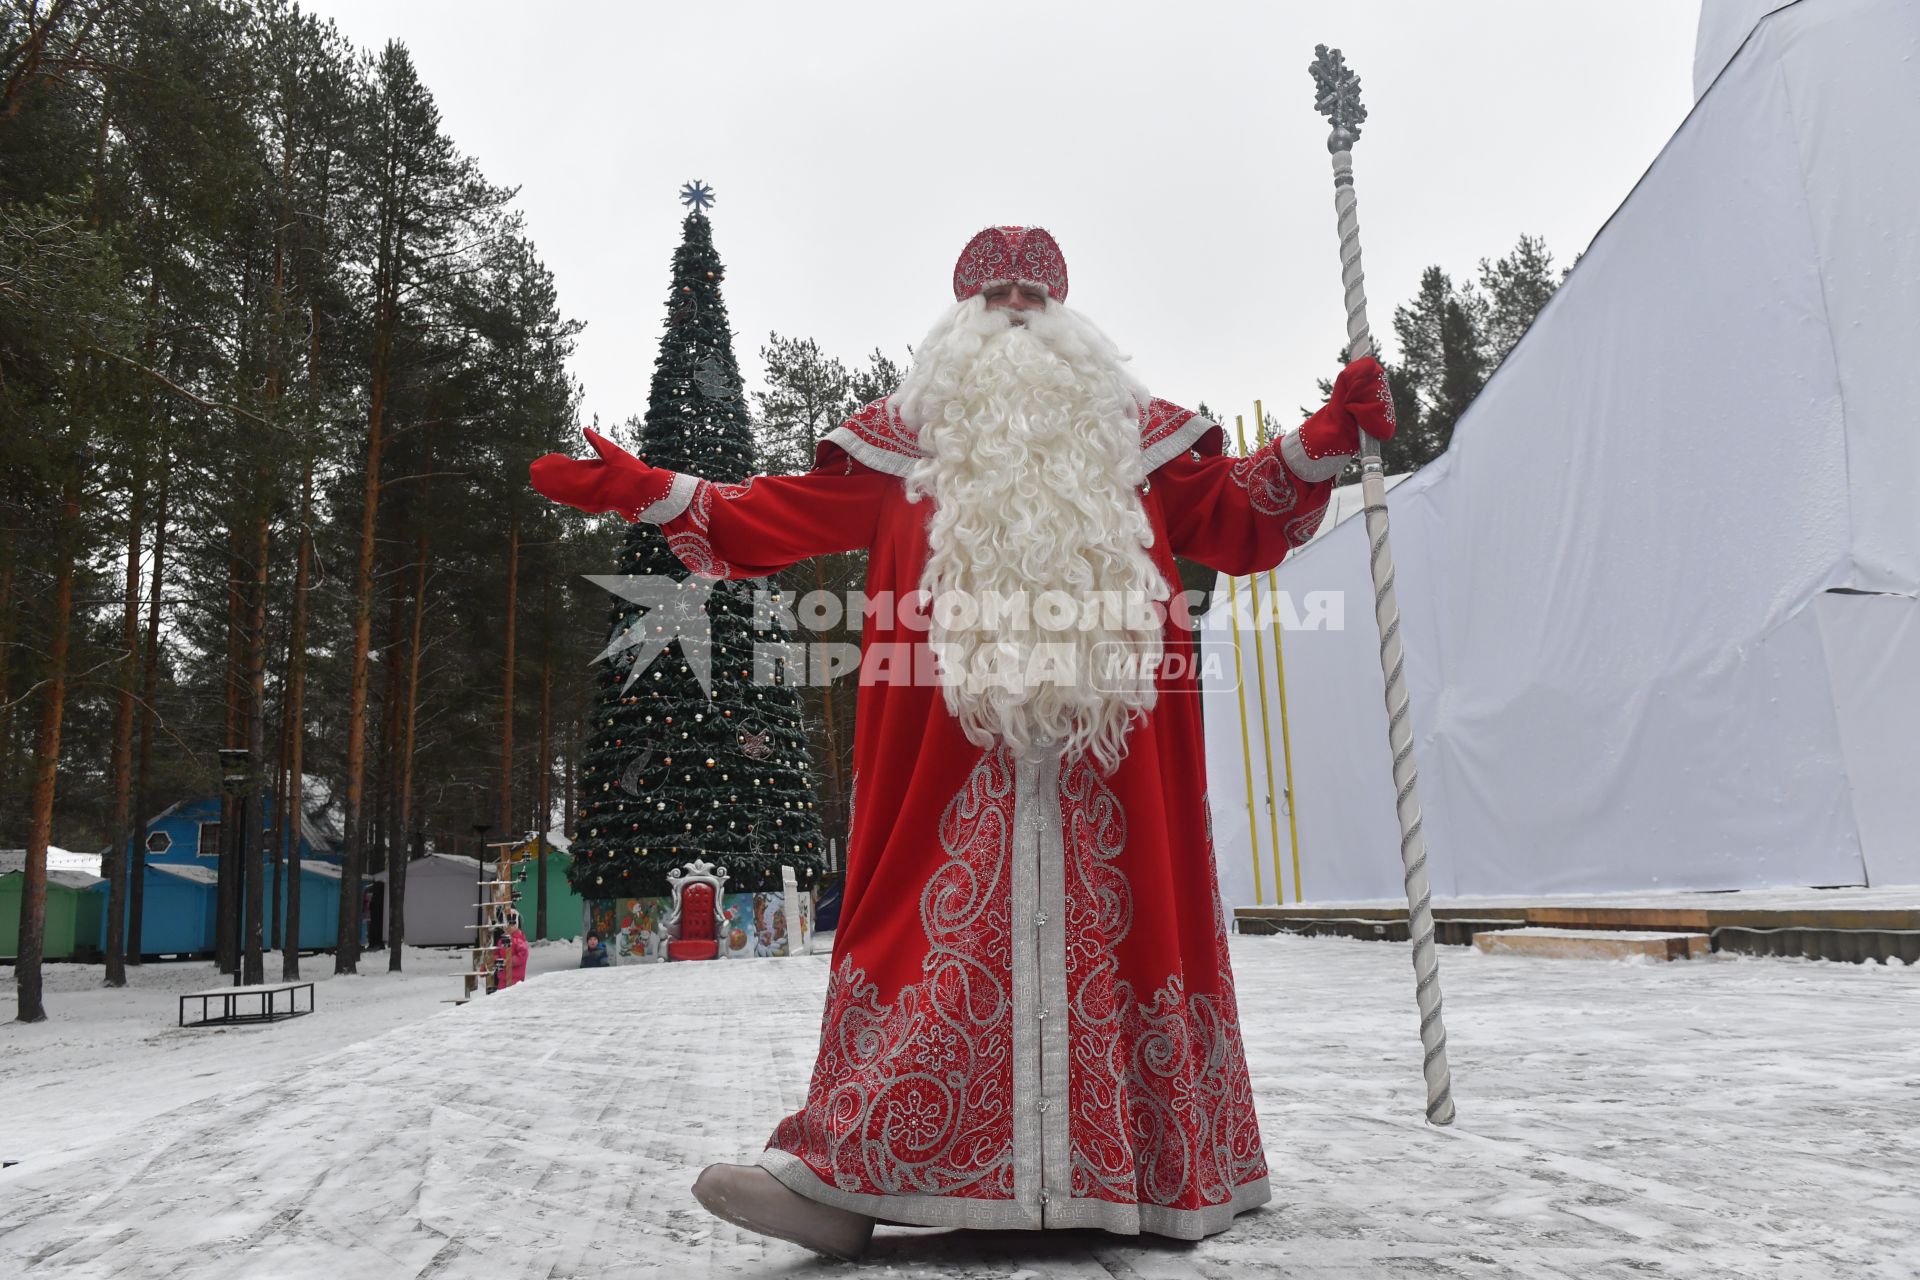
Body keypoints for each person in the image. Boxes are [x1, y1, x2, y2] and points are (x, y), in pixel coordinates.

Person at [529, 226, 1394, 1259]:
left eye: (1037, 292)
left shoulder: (1146, 441)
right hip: (946, 771)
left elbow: (1235, 518)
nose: (1018, 308)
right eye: (997, 294)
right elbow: (779, 515)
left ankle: (1150, 1172)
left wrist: (1322, 439)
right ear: (959, 320)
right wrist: (656, 492)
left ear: (1071, 320)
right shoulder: (899, 445)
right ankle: (843, 1180)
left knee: (1124, 939)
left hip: (1112, 768)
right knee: (924, 950)